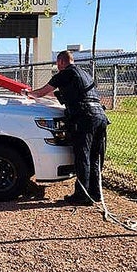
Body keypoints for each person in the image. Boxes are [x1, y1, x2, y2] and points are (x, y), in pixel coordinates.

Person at [26, 50, 110, 205]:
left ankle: (82, 195)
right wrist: (36, 93)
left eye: (57, 64)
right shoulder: (84, 74)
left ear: (61, 62)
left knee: (83, 156)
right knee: (95, 157)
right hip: (100, 117)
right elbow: (56, 94)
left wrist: (29, 93)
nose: (57, 67)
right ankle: (95, 193)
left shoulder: (65, 73)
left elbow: (43, 92)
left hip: (84, 118)